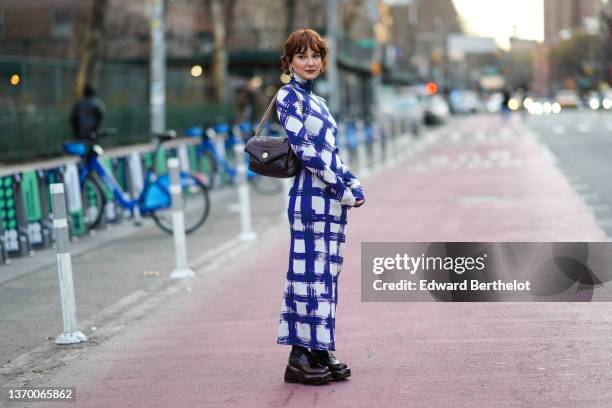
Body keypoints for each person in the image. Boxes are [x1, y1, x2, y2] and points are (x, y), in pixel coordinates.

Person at [275, 28, 365, 385]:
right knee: (306, 277)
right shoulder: (287, 96)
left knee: (326, 278)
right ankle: (298, 357)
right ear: (289, 62)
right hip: (310, 201)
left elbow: (332, 153)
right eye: (302, 56)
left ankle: (319, 348)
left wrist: (352, 184)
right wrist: (339, 185)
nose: (310, 62)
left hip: (331, 201)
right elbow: (305, 151)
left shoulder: (320, 102)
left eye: (315, 56)